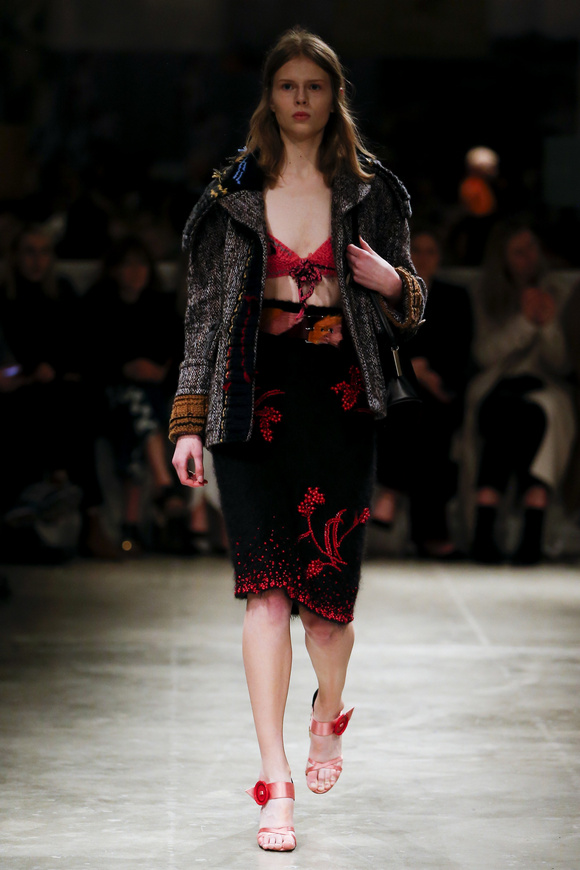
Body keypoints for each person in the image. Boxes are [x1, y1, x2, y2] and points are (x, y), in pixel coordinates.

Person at [170, 28, 425, 852]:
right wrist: (187, 422)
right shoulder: (232, 192)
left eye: (315, 85)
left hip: (339, 402)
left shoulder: (371, 190)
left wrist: (393, 285)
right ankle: (275, 782)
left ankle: (328, 711)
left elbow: (410, 305)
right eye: (288, 85)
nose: (302, 99)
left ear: (334, 94)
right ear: (270, 97)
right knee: (266, 594)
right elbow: (204, 318)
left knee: (325, 612)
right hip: (250, 398)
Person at [0, 224, 121, 559]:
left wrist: (51, 366)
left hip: (55, 386)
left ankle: (64, 488)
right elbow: (13, 355)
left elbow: (79, 343)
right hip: (19, 386)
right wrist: (32, 369)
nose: (37, 260)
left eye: (44, 252)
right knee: (53, 408)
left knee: (76, 404)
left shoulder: (62, 291)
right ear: (15, 256)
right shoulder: (6, 296)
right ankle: (66, 492)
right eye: (29, 252)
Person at [463, 221, 575, 565]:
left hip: (543, 389)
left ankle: (488, 525)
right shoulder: (486, 294)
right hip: (497, 387)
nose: (529, 258)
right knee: (509, 413)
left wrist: (549, 324)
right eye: (519, 252)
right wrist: (525, 323)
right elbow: (484, 354)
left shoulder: (559, 291)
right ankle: (530, 530)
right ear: (504, 259)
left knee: (532, 415)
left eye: (532, 248)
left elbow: (561, 363)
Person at [373, 228, 474, 558]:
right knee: (419, 417)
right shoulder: (389, 295)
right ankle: (431, 534)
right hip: (400, 387)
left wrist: (431, 376)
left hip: (442, 390)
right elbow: (380, 345)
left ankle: (391, 489)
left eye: (431, 251)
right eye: (416, 249)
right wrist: (414, 370)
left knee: (424, 414)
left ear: (440, 257)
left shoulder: (455, 296)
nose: (423, 258)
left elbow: (461, 350)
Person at [83, 236, 186, 554]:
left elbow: (176, 351)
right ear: (114, 270)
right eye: (127, 264)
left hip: (151, 394)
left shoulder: (158, 305)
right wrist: (125, 369)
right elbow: (90, 356)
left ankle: (130, 527)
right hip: (108, 391)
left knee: (137, 418)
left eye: (141, 264)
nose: (136, 271)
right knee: (138, 402)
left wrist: (158, 372)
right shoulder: (98, 304)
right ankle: (165, 486)